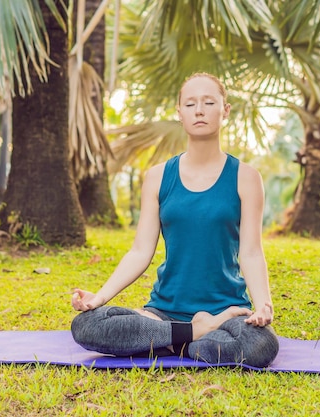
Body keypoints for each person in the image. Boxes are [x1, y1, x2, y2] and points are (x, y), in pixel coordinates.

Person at [70, 72, 279, 368]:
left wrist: (262, 306)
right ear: (179, 113)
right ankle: (195, 334)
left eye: (209, 102)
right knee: (87, 325)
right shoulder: (157, 177)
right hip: (164, 312)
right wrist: (99, 298)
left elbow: (252, 252)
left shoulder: (246, 178)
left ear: (225, 110)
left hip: (226, 313)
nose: (200, 110)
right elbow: (141, 251)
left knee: (261, 345)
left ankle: (175, 340)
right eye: (191, 103)